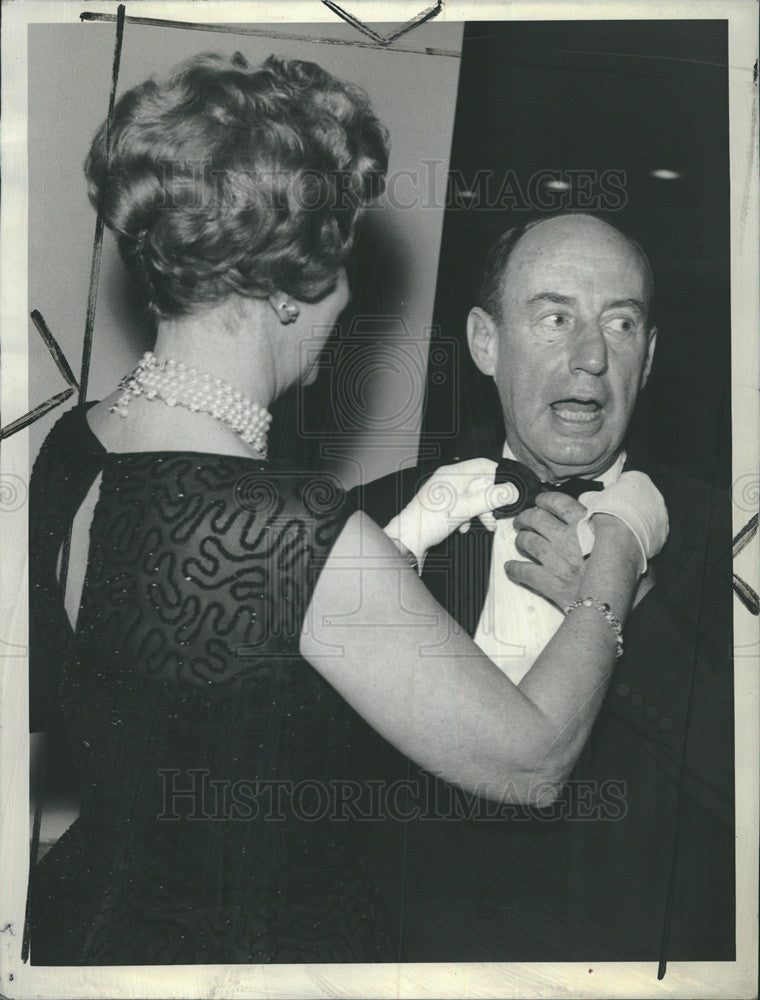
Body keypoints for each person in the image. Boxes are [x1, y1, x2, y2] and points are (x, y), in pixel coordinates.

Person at [27, 55, 666, 966]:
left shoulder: (72, 447)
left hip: (78, 927)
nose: (351, 296)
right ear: (291, 283)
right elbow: (531, 764)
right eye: (344, 260)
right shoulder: (297, 535)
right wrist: (620, 553)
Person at [355, 212, 735, 962]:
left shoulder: (726, 536)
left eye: (621, 325)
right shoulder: (376, 520)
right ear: (485, 342)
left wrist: (637, 608)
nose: (591, 357)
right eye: (556, 318)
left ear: (649, 357)